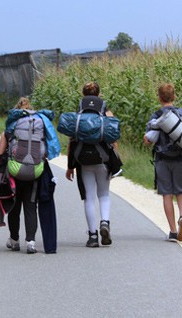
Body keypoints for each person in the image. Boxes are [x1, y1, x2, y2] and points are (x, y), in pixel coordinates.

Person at [65, 82, 116, 247]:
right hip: (103, 160)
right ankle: (105, 223)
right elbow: (114, 138)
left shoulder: (77, 117)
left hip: (83, 161)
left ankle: (93, 236)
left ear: (83, 95)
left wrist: (70, 166)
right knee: (104, 195)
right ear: (98, 94)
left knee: (88, 197)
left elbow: (71, 142)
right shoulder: (106, 113)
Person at [143, 83, 182, 242]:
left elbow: (149, 140)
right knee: (181, 191)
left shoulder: (156, 115)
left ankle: (173, 231)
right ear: (174, 97)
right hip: (181, 158)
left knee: (167, 194)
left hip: (162, 159)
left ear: (159, 97)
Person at [0, 97, 39, 254]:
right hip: (33, 172)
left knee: (14, 206)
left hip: (14, 173)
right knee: (31, 206)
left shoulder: (8, 131)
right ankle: (31, 242)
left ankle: (14, 240)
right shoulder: (37, 129)